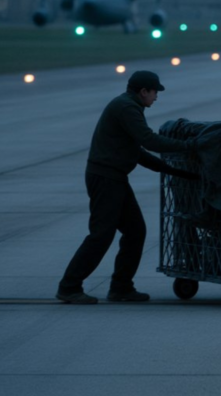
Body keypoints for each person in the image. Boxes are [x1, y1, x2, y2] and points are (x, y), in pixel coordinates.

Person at [57, 70, 198, 304]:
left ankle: (121, 288)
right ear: (143, 91)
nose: (156, 97)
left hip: (114, 178)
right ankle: (69, 286)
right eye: (155, 92)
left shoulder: (129, 107)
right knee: (101, 235)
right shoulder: (127, 108)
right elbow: (149, 140)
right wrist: (189, 147)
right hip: (105, 178)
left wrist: (177, 171)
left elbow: (137, 153)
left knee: (135, 231)